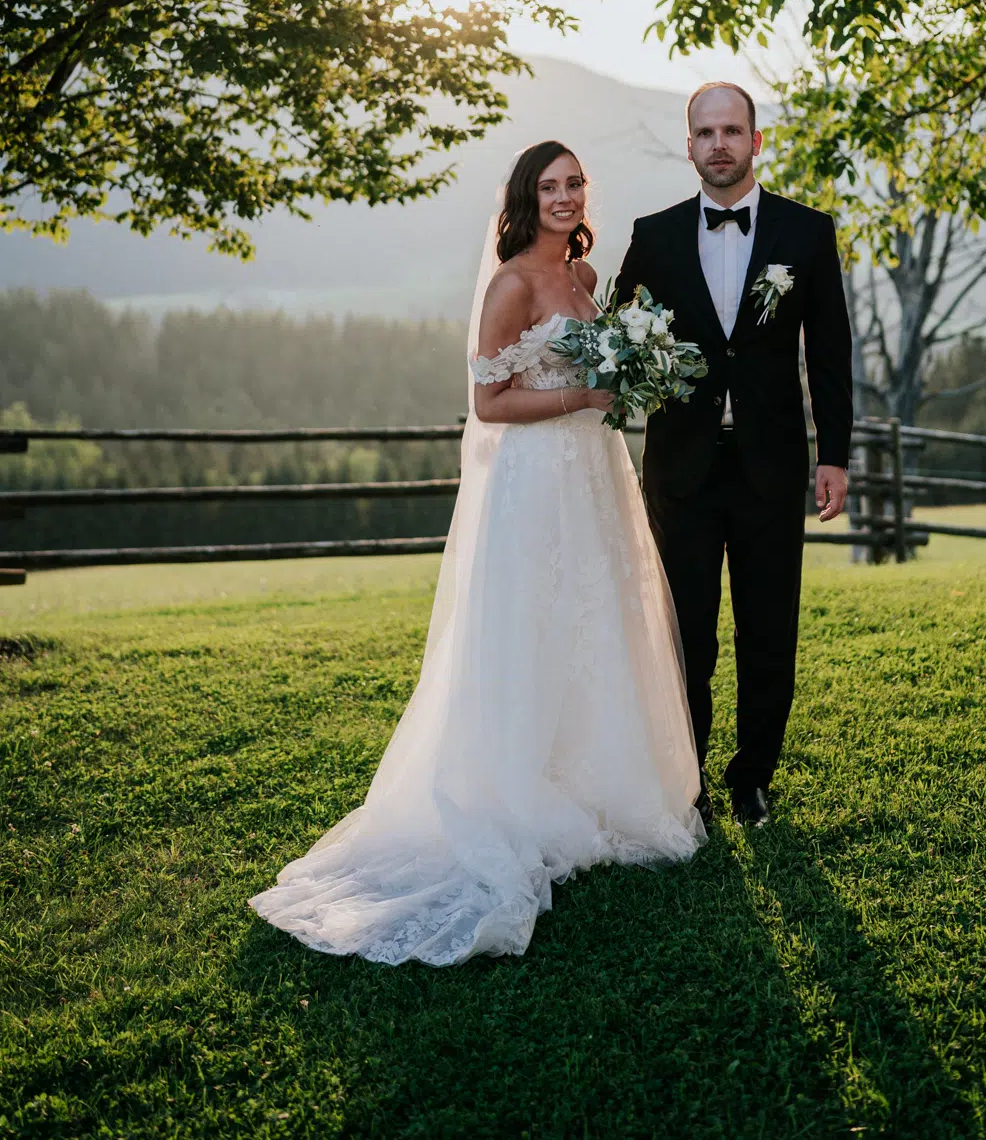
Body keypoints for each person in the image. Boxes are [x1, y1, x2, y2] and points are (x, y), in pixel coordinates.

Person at [250, 140, 703, 967]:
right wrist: (588, 394)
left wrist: (625, 383)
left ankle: (595, 784)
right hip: (534, 482)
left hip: (591, 473)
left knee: (593, 623)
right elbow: (489, 403)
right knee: (531, 629)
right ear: (526, 197)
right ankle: (517, 796)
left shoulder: (586, 280)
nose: (565, 197)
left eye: (575, 183)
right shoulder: (512, 283)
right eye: (550, 186)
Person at [614, 83, 853, 828]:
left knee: (768, 630)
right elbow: (620, 340)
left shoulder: (806, 234)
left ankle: (753, 778)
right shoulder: (651, 235)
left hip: (772, 467)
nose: (719, 143)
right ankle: (688, 784)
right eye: (705, 132)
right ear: (688, 146)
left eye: (732, 130)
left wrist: (834, 454)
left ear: (756, 141)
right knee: (685, 634)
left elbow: (832, 352)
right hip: (679, 470)